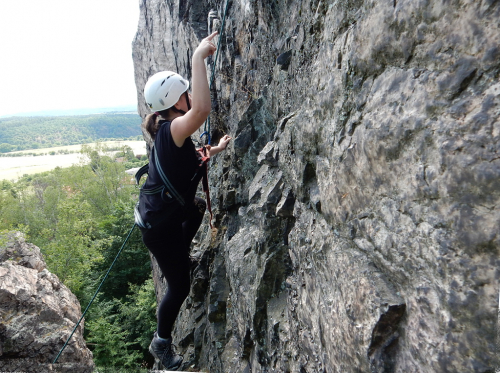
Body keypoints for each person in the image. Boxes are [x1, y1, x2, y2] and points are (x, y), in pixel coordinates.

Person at [138, 31, 231, 370]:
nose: (190, 97)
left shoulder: (172, 131)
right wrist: (197, 58)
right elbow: (203, 109)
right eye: (185, 93)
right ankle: (161, 343)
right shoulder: (173, 128)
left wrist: (215, 150)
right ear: (176, 102)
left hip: (166, 218)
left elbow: (185, 162)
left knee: (195, 211)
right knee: (179, 286)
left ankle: (181, 252)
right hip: (159, 229)